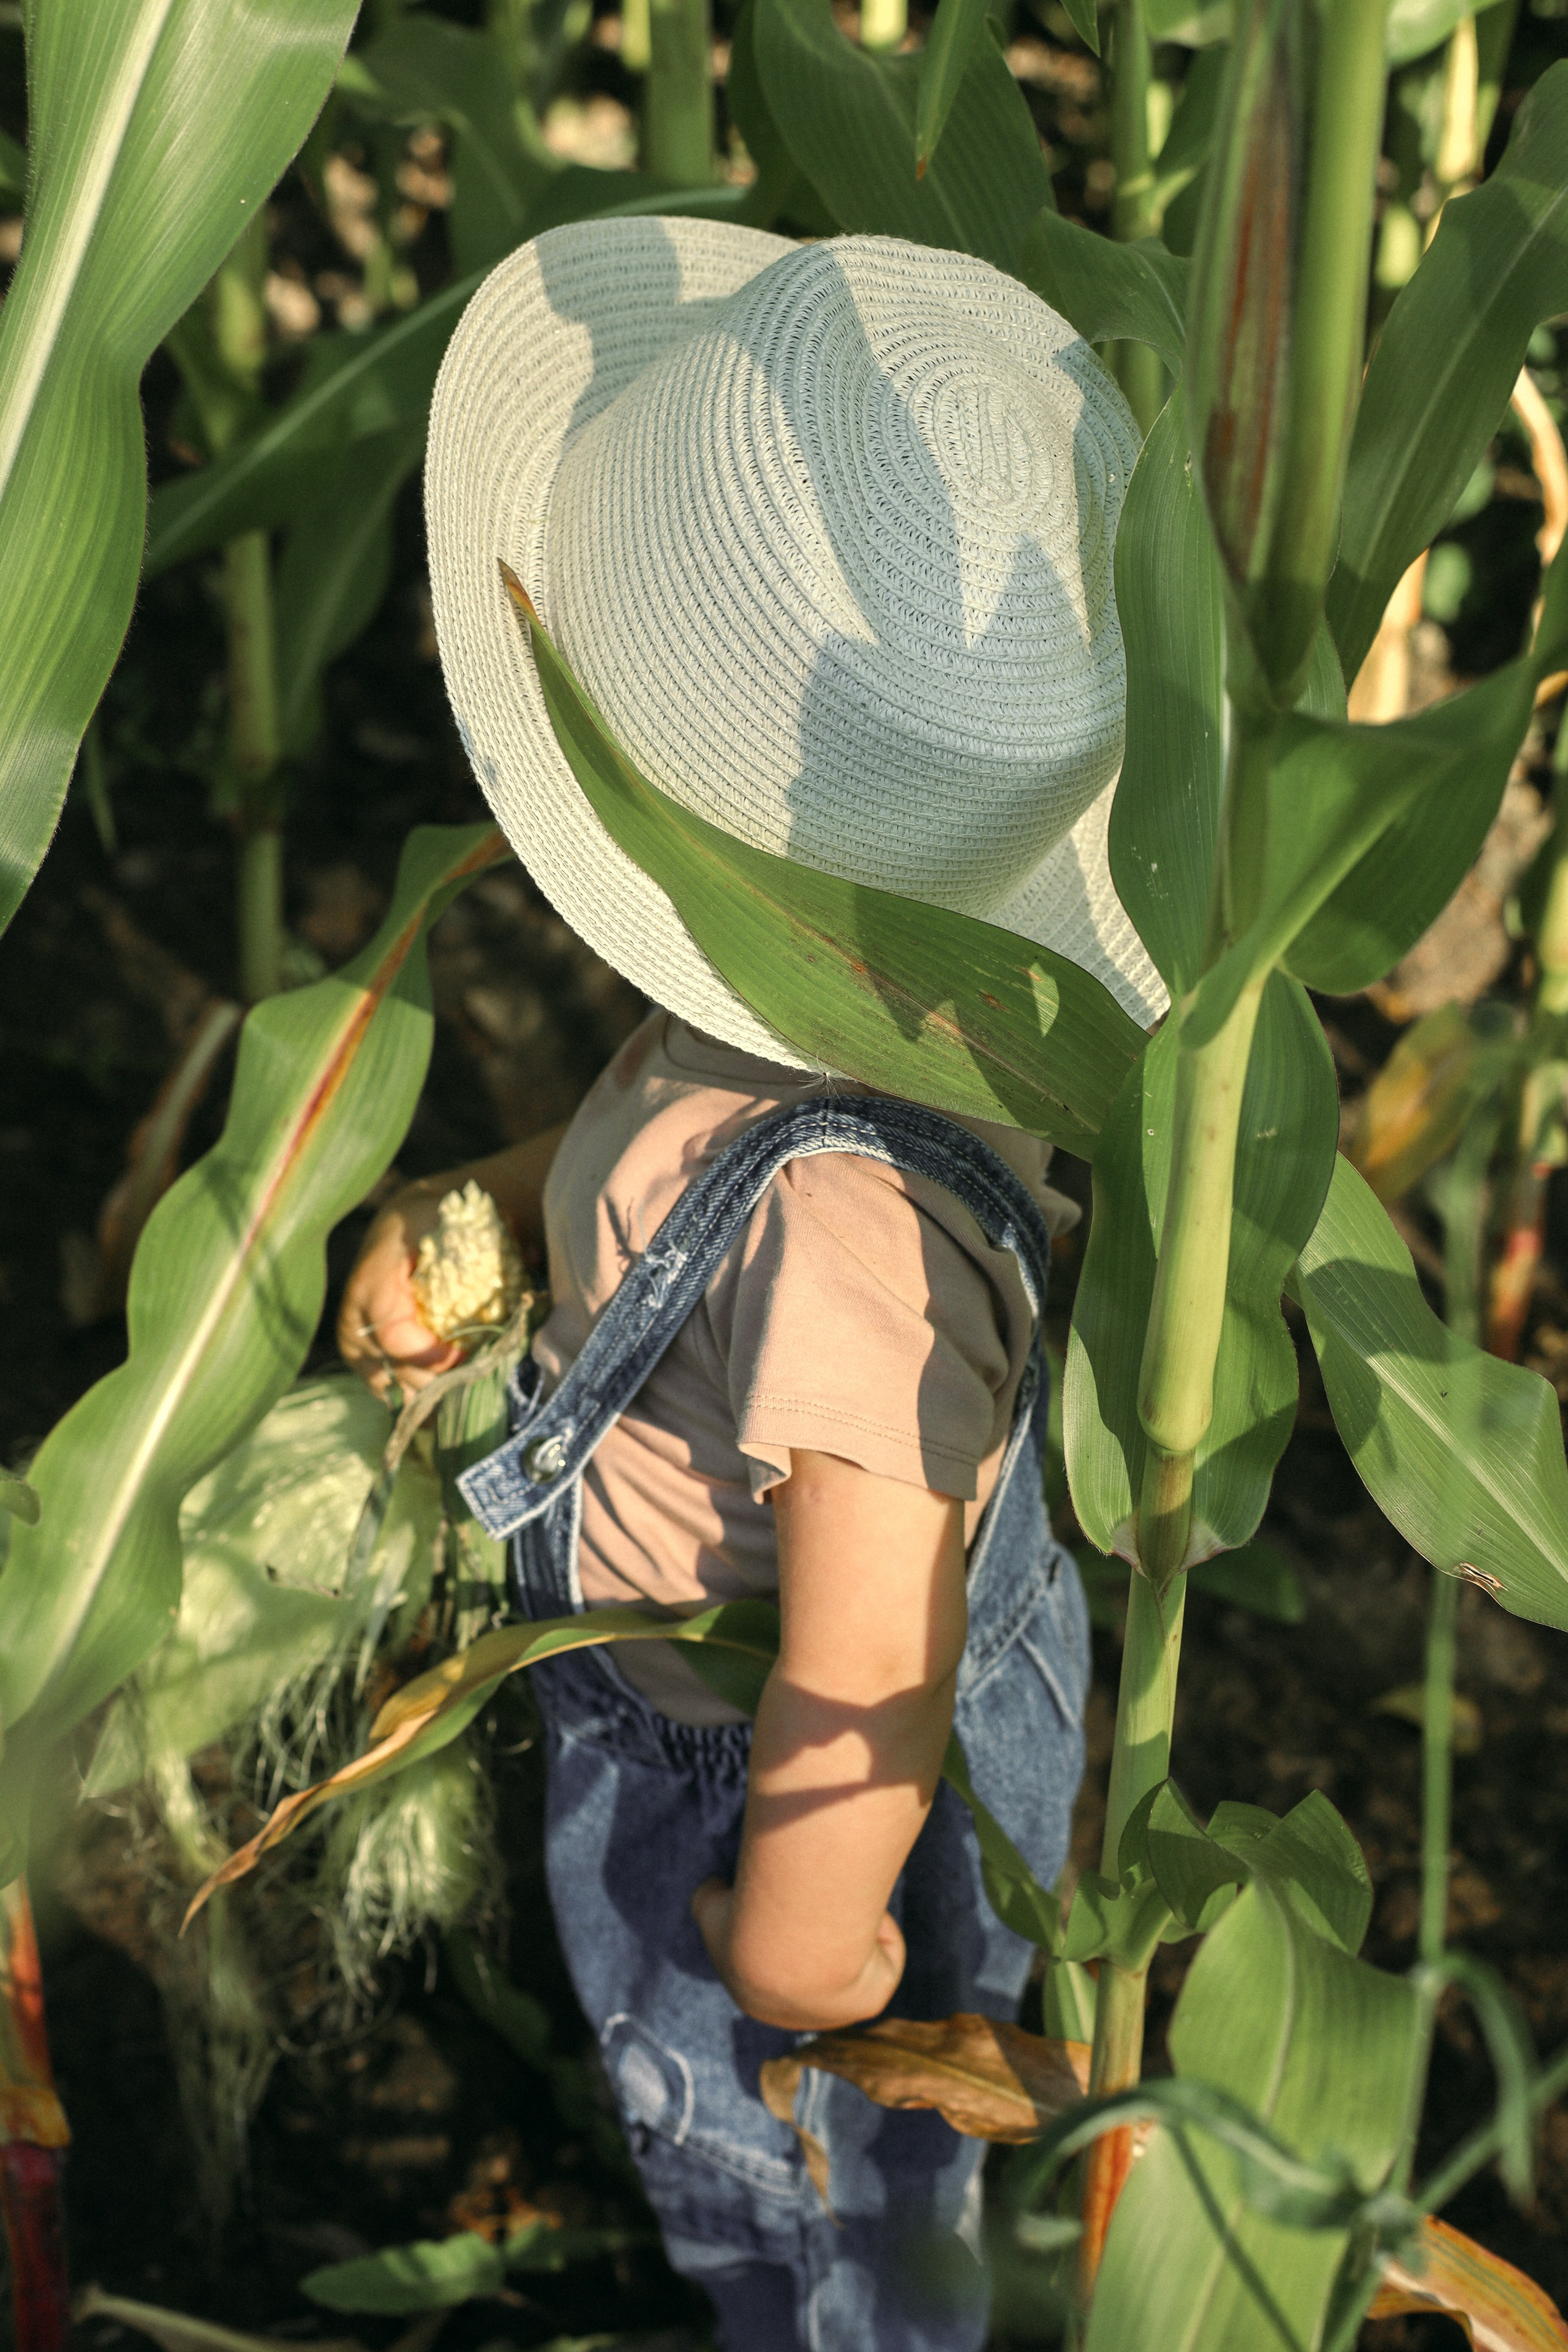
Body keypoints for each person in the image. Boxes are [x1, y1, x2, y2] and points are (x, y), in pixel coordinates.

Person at [342, 217, 1161, 2350]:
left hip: (751, 1788)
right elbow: (654, 1172)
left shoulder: (850, 1234)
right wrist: (493, 1209)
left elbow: (864, 1663)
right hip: (747, 1740)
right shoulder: (836, 1028)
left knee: (812, 2227)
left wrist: (797, 1948)